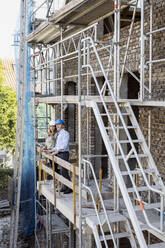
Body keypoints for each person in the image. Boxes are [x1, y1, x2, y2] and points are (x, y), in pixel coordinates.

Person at [50, 119, 72, 194]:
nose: (57, 126)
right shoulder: (59, 134)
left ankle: (70, 188)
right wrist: (51, 150)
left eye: (59, 124)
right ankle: (64, 187)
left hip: (64, 154)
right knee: (61, 171)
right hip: (60, 154)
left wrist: (56, 152)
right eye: (56, 125)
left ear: (62, 125)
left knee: (64, 171)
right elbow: (57, 146)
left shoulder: (65, 133)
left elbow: (64, 146)